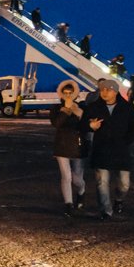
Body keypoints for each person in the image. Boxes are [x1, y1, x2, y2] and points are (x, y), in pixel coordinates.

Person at [82, 78, 134, 219]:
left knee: (124, 184)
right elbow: (82, 124)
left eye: (108, 89)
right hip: (101, 149)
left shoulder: (126, 107)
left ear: (115, 91)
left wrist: (126, 141)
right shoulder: (94, 107)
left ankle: (119, 200)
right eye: (102, 89)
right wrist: (90, 126)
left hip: (121, 150)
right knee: (101, 182)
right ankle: (106, 211)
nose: (104, 92)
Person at [50, 82, 87, 218]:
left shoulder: (82, 106)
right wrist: (65, 110)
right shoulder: (56, 108)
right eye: (65, 93)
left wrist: (77, 111)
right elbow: (56, 123)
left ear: (75, 93)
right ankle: (68, 204)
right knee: (66, 176)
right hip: (62, 144)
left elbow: (85, 124)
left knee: (77, 178)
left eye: (70, 93)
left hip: (77, 144)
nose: (68, 95)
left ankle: (82, 190)